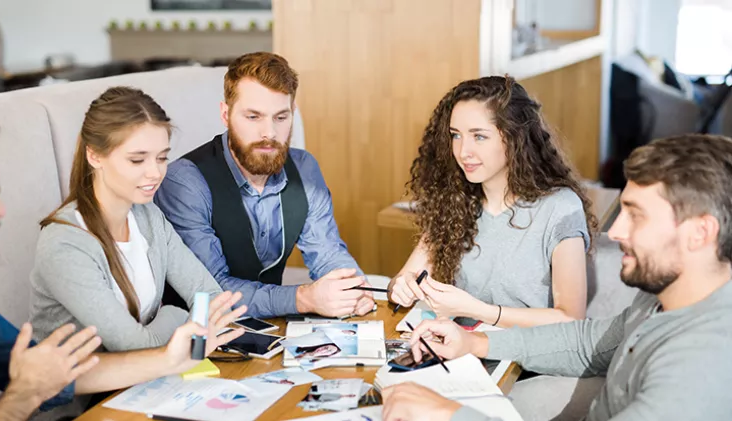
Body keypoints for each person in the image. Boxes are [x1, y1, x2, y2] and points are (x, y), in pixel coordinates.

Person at [0, 105, 246, 421]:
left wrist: (168, 359)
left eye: (161, 157)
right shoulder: (65, 241)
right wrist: (22, 397)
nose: (1, 212)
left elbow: (60, 372)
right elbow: (40, 384)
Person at [382, 134, 732, 421]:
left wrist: (450, 415)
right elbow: (588, 343)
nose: (617, 230)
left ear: (700, 232)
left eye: (636, 216)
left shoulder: (702, 366)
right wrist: (475, 343)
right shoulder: (664, 295)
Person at [154, 52, 375, 319]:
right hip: (195, 336)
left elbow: (327, 253)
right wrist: (304, 298)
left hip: (271, 327)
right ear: (226, 115)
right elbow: (212, 291)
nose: (268, 133)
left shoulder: (304, 168)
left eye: (280, 118)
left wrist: (353, 289)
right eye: (253, 117)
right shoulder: (185, 182)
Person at [29, 87, 233, 352]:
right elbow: (132, 347)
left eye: (162, 158)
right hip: (96, 391)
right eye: (137, 160)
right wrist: (177, 315)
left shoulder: (148, 216)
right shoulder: (65, 243)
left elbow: (211, 298)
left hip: (155, 377)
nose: (155, 173)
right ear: (94, 156)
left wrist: (190, 347)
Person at [388, 76, 597, 328]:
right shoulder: (456, 201)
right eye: (456, 136)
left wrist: (478, 310)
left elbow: (571, 319)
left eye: (479, 137)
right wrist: (400, 286)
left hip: (525, 361)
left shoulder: (560, 207)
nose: (463, 151)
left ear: (514, 138)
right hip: (460, 351)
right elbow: (405, 276)